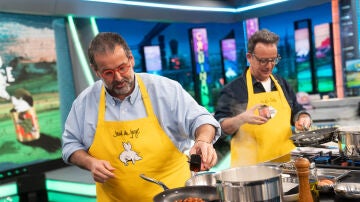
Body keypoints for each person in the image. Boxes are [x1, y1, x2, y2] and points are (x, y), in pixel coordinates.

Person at [62, 32, 220, 201]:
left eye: (122, 68)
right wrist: (90, 163)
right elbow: (70, 145)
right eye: (108, 73)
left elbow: (201, 119)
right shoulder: (84, 103)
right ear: (96, 70)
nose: (118, 77)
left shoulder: (165, 90)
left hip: (176, 197)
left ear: (131, 59)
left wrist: (203, 141)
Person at [214, 29, 311, 167]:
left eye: (273, 60)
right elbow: (219, 129)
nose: (269, 66)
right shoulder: (233, 90)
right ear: (249, 57)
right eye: (263, 61)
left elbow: (296, 111)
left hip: (287, 163)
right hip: (251, 170)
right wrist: (241, 118)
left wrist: (302, 118)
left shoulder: (282, 83)